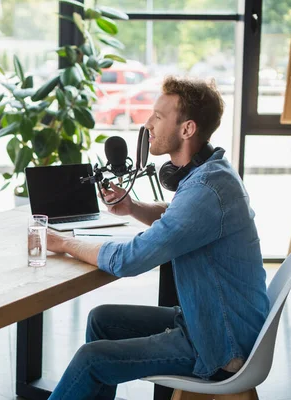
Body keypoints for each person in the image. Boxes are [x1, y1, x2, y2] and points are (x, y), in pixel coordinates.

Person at [46, 76, 270, 400]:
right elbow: (177, 217)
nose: (147, 124)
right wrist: (132, 207)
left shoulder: (206, 190)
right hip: (209, 319)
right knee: (101, 320)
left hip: (220, 344)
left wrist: (64, 243)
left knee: (91, 360)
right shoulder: (209, 172)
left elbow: (129, 260)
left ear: (187, 129)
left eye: (158, 117)